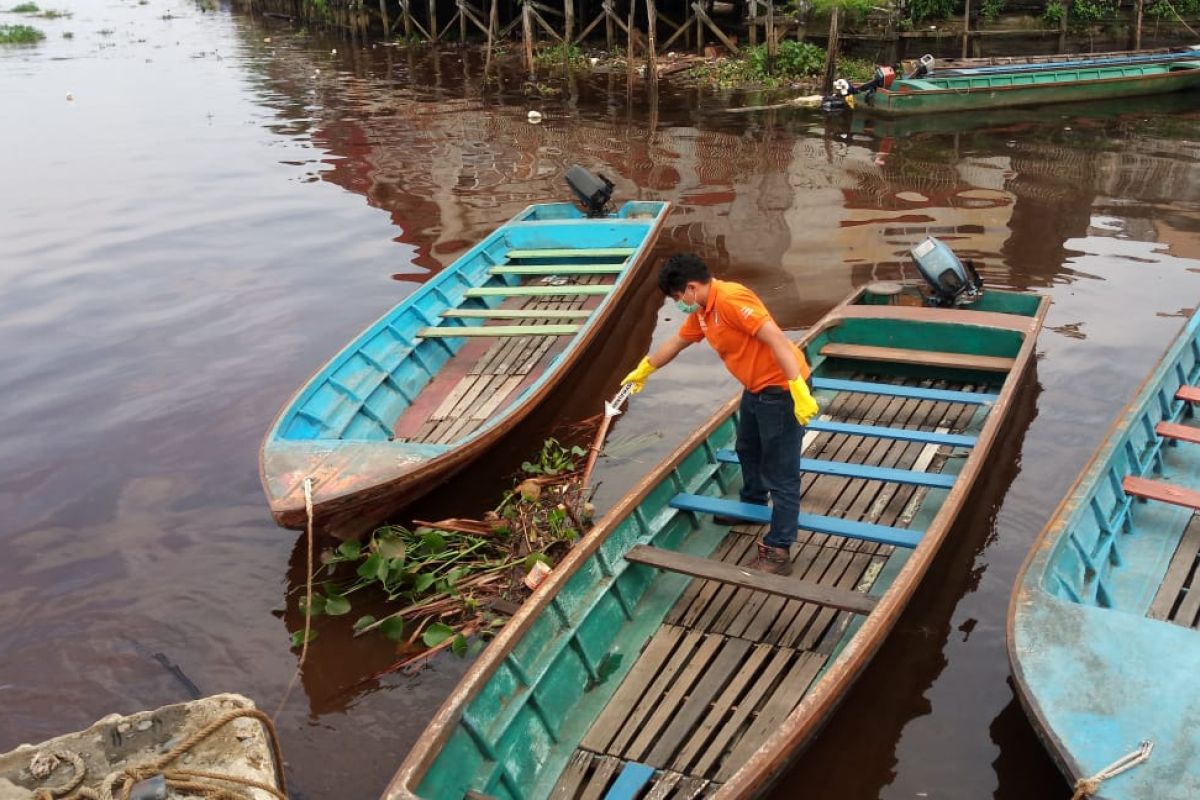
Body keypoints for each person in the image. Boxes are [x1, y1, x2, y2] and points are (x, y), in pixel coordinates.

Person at [620, 253, 818, 576]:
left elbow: (777, 339)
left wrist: (797, 386)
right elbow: (677, 342)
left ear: (691, 287)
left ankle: (780, 548)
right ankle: (753, 505)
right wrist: (644, 369)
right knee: (747, 448)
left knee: (780, 470)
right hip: (757, 388)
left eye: (676, 297)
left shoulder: (730, 300)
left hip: (783, 388)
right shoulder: (702, 310)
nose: (678, 303)